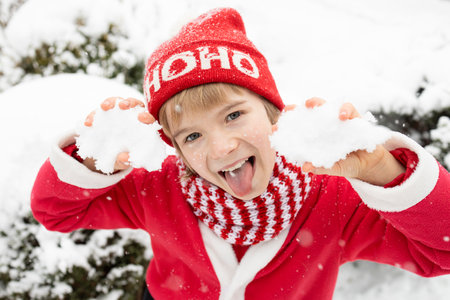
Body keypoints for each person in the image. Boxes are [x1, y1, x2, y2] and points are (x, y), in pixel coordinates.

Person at [31, 7, 450, 300]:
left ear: (273, 114)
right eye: (191, 137)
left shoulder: (332, 197)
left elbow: (442, 250)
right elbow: (55, 211)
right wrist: (91, 157)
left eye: (233, 115)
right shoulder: (159, 188)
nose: (221, 146)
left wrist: (381, 168)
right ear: (174, 148)